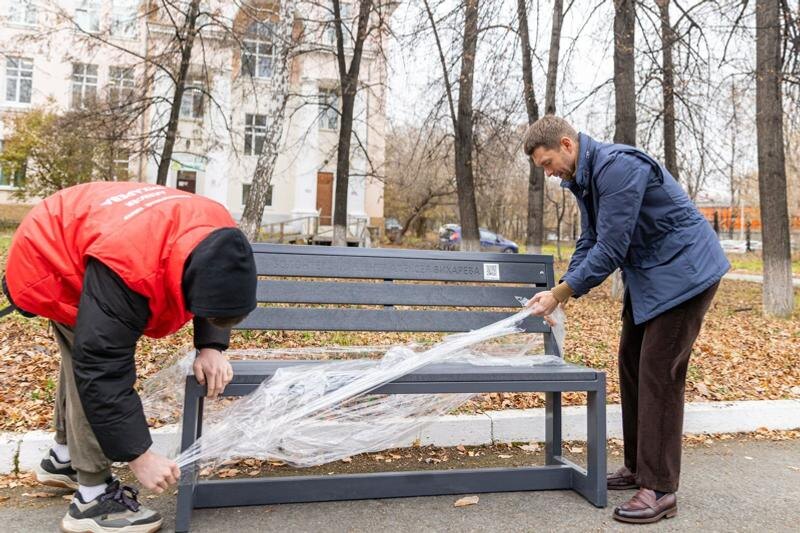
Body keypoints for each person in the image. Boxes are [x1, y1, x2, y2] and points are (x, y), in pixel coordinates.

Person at [1, 182, 257, 533]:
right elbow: (100, 365)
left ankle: (64, 459)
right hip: (49, 255)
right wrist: (139, 455)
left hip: (89, 230)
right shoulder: (131, 265)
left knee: (81, 352)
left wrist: (211, 345)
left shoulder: (221, 236)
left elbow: (214, 278)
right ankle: (92, 499)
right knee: (86, 356)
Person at [522, 116, 729, 524]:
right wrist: (563, 287)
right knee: (631, 363)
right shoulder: (585, 179)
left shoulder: (617, 168)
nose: (548, 173)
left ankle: (661, 489)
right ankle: (638, 467)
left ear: (566, 145)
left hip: (686, 273)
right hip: (653, 275)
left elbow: (612, 248)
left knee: (659, 372)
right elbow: (590, 240)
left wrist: (561, 294)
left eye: (547, 163)